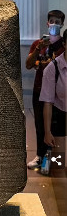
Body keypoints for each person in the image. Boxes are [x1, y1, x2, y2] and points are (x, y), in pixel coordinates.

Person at [26, 10, 65, 169]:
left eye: (58, 21)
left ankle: (53, 162)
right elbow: (28, 65)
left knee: (56, 129)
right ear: (47, 23)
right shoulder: (38, 43)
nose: (54, 24)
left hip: (57, 93)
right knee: (40, 126)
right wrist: (38, 49)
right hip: (39, 89)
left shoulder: (63, 44)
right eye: (52, 21)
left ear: (62, 25)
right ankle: (40, 157)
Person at [40, 29, 67, 147]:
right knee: (58, 161)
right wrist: (47, 132)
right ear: (64, 44)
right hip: (60, 115)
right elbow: (47, 102)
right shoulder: (53, 68)